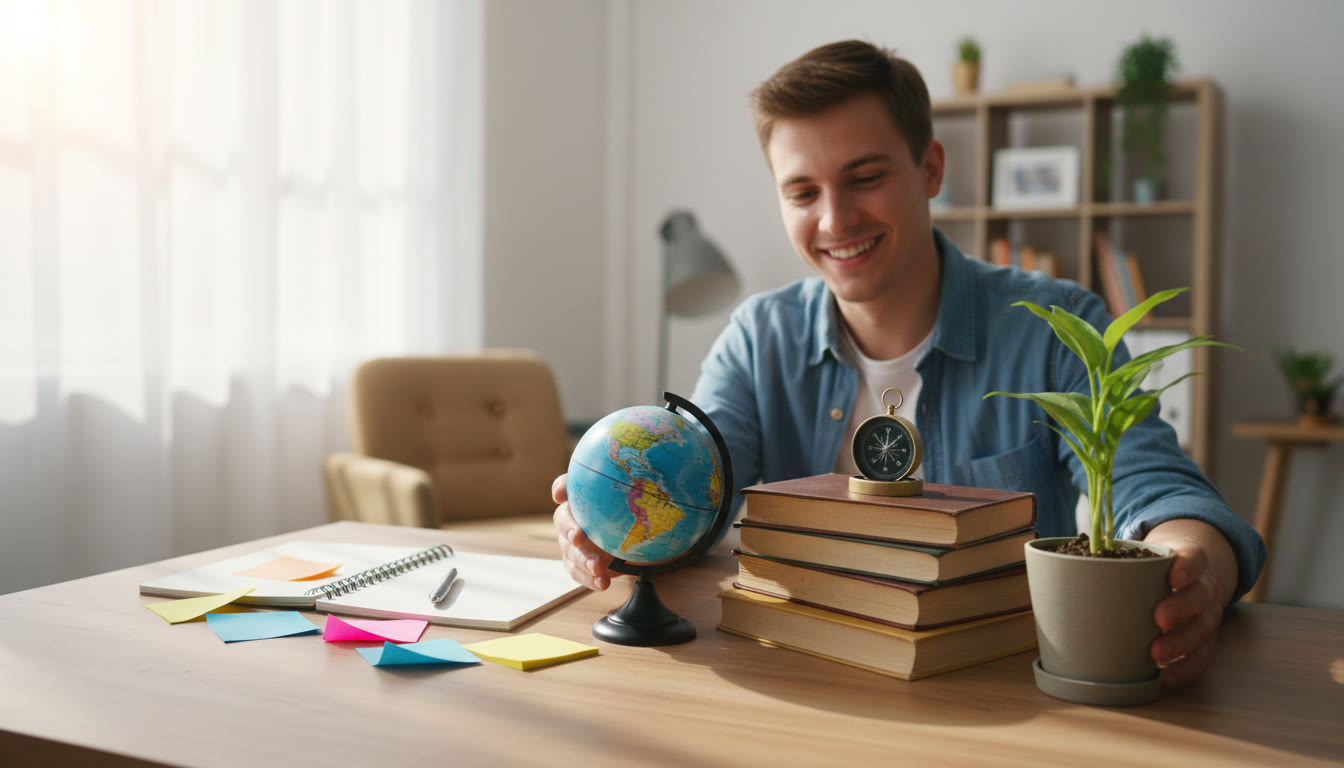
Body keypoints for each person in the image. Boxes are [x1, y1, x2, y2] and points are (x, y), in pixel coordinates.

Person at [552, 39, 1266, 688]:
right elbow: (697, 490)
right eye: (802, 193)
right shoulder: (758, 335)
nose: (835, 220)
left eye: (864, 178)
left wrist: (1192, 570)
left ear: (930, 169)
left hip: (993, 687)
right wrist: (617, 525)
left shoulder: (1058, 327)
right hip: (802, 680)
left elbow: (1161, 494)